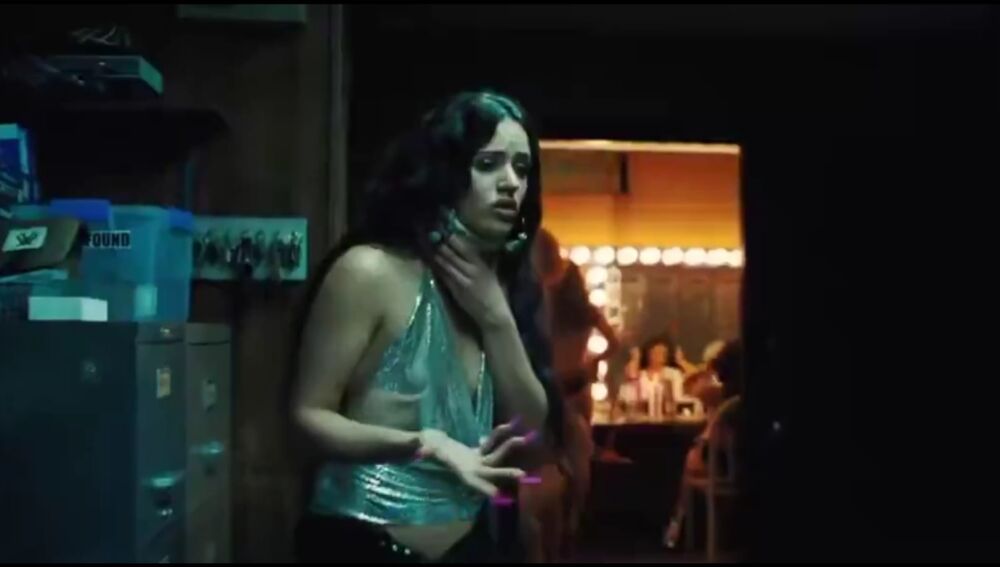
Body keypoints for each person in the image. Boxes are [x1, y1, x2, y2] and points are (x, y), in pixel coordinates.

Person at [289, 91, 561, 563]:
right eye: (488, 164)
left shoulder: (505, 291)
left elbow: (529, 438)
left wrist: (496, 317)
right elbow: (306, 417)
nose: (511, 183)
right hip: (359, 546)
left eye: (522, 168)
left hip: (469, 548)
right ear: (444, 172)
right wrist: (423, 444)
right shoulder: (370, 272)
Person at [518, 228, 621, 561]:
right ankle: (572, 519)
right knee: (577, 457)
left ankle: (554, 524)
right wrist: (592, 361)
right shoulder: (585, 311)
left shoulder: (542, 303)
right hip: (577, 386)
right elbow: (615, 343)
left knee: (551, 456)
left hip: (554, 385)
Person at [663, 339, 744, 549]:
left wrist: (707, 368)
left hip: (723, 464)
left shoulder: (718, 394)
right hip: (747, 461)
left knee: (689, 458)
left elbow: (692, 386)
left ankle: (680, 528)